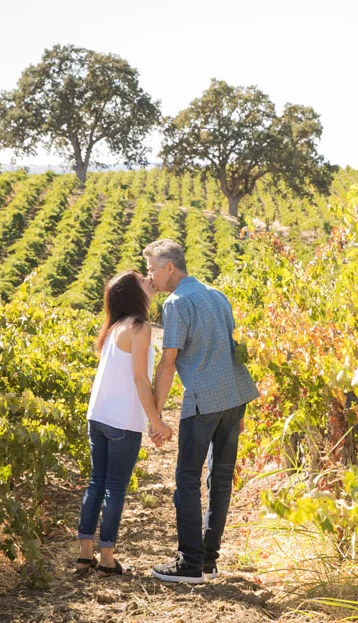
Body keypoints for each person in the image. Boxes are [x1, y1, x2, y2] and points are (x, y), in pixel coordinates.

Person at [144, 239, 259, 584]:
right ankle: (208, 558)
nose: (150, 278)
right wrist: (238, 414)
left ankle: (190, 563)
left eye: (152, 270)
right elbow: (234, 348)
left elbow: (167, 364)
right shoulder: (216, 294)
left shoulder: (176, 303)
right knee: (220, 478)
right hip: (233, 397)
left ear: (169, 268)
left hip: (203, 402)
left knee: (186, 479)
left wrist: (156, 416)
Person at [75, 271, 174, 576]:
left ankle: (84, 556)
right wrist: (157, 421)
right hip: (121, 420)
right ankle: (107, 559)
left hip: (98, 415)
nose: (148, 280)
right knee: (115, 488)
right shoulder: (140, 328)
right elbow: (140, 379)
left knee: (97, 483)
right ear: (134, 293)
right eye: (142, 280)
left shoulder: (114, 326)